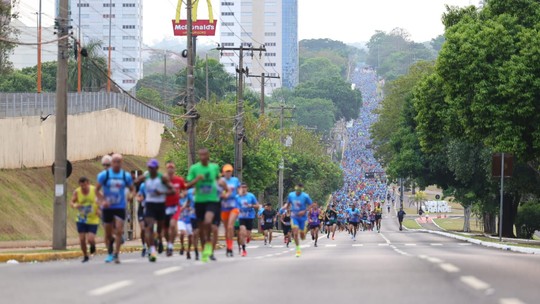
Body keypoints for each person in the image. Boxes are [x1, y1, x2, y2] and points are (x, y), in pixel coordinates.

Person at [187, 148, 228, 262]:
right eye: (201, 155)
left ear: (208, 155)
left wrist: (223, 186)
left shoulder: (214, 167)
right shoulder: (194, 168)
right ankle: (205, 249)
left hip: (212, 200)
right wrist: (197, 179)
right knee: (201, 230)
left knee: (208, 222)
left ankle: (210, 250)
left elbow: (219, 180)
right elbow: (188, 185)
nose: (203, 157)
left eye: (205, 155)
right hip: (199, 201)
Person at [96, 153, 135, 264]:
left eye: (119, 162)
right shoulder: (104, 175)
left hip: (120, 206)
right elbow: (96, 190)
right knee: (108, 233)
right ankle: (109, 253)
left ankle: (116, 254)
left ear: (122, 163)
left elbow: (132, 189)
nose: (117, 164)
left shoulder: (125, 176)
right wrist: (103, 200)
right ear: (112, 162)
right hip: (108, 207)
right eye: (115, 161)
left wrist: (130, 197)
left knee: (119, 230)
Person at [141, 159, 175, 262]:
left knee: (160, 229)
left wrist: (162, 192)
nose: (150, 169)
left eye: (152, 168)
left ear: (157, 168)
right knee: (150, 227)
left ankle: (159, 239)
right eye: (149, 167)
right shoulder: (145, 178)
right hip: (150, 204)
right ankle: (152, 251)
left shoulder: (162, 178)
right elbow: (135, 183)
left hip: (160, 205)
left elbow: (172, 190)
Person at [71, 177, 100, 263]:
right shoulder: (77, 192)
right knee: (82, 239)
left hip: (93, 218)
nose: (83, 187)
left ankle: (93, 245)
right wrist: (75, 205)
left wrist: (99, 207)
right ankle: (85, 255)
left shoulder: (94, 190)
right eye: (81, 186)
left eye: (84, 185)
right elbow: (72, 202)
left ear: (88, 183)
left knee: (90, 239)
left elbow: (102, 198)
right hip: (81, 219)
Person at [164, 162, 186, 257]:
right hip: (164, 206)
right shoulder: (163, 180)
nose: (170, 169)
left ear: (174, 169)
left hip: (175, 206)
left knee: (173, 225)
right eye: (168, 168)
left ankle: (170, 246)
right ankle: (168, 242)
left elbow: (184, 189)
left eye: (172, 167)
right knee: (165, 231)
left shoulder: (179, 180)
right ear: (166, 169)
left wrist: (182, 194)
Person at [285, 183, 313, 258]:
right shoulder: (291, 195)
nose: (298, 191)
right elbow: (287, 204)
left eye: (300, 190)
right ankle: (298, 249)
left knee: (302, 236)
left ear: (302, 190)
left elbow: (311, 205)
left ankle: (303, 232)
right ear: (295, 188)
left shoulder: (305, 196)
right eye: (297, 189)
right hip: (294, 217)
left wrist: (305, 211)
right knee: (295, 233)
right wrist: (285, 208)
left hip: (303, 218)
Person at [220, 164, 241, 257]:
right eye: (226, 171)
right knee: (226, 228)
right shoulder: (221, 181)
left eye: (229, 171)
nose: (228, 173)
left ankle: (231, 246)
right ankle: (228, 246)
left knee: (230, 226)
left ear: (231, 172)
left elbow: (239, 189)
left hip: (234, 206)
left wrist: (239, 194)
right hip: (224, 207)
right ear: (223, 172)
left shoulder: (235, 180)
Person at [237, 183, 259, 256]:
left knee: (248, 234)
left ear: (247, 188)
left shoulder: (251, 196)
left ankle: (248, 237)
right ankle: (244, 250)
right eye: (242, 187)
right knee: (242, 232)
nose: (243, 188)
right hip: (241, 217)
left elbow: (258, 205)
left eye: (245, 187)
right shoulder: (237, 197)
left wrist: (251, 205)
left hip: (249, 216)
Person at [179, 188, 196, 260]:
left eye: (186, 190)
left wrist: (190, 208)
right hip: (181, 219)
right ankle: (182, 246)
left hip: (189, 219)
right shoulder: (179, 199)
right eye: (183, 190)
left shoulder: (191, 198)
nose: (185, 192)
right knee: (182, 232)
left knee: (190, 235)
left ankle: (188, 250)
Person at [136, 180, 147, 257]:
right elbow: (138, 196)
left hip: (151, 210)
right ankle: (144, 247)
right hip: (142, 210)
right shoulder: (143, 185)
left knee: (150, 230)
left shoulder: (156, 184)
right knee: (143, 229)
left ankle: (152, 247)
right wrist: (139, 198)